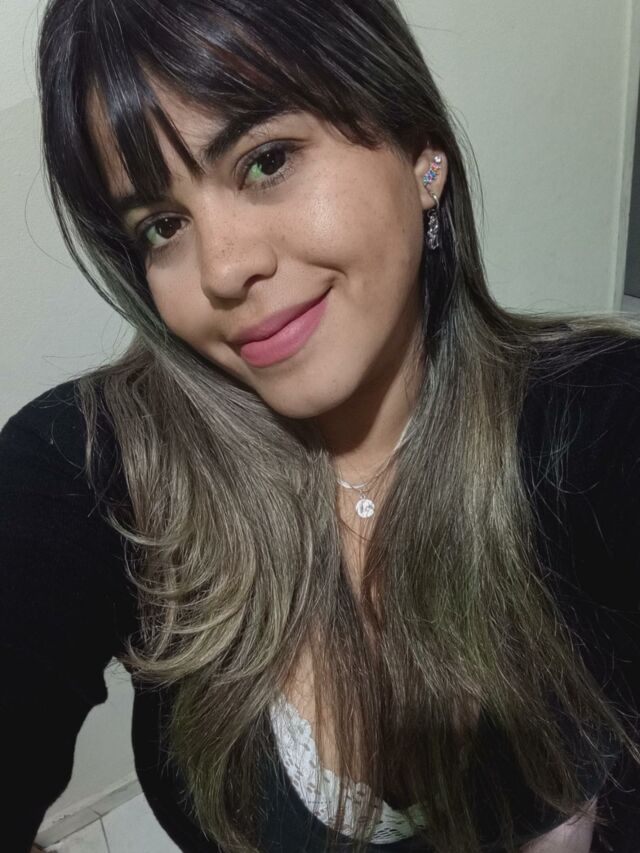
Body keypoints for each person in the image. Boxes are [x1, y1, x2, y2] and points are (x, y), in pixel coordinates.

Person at [2, 0, 640, 851]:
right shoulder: (93, 464)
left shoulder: (595, 419)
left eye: (266, 161)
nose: (224, 268)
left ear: (421, 155)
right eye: (161, 226)